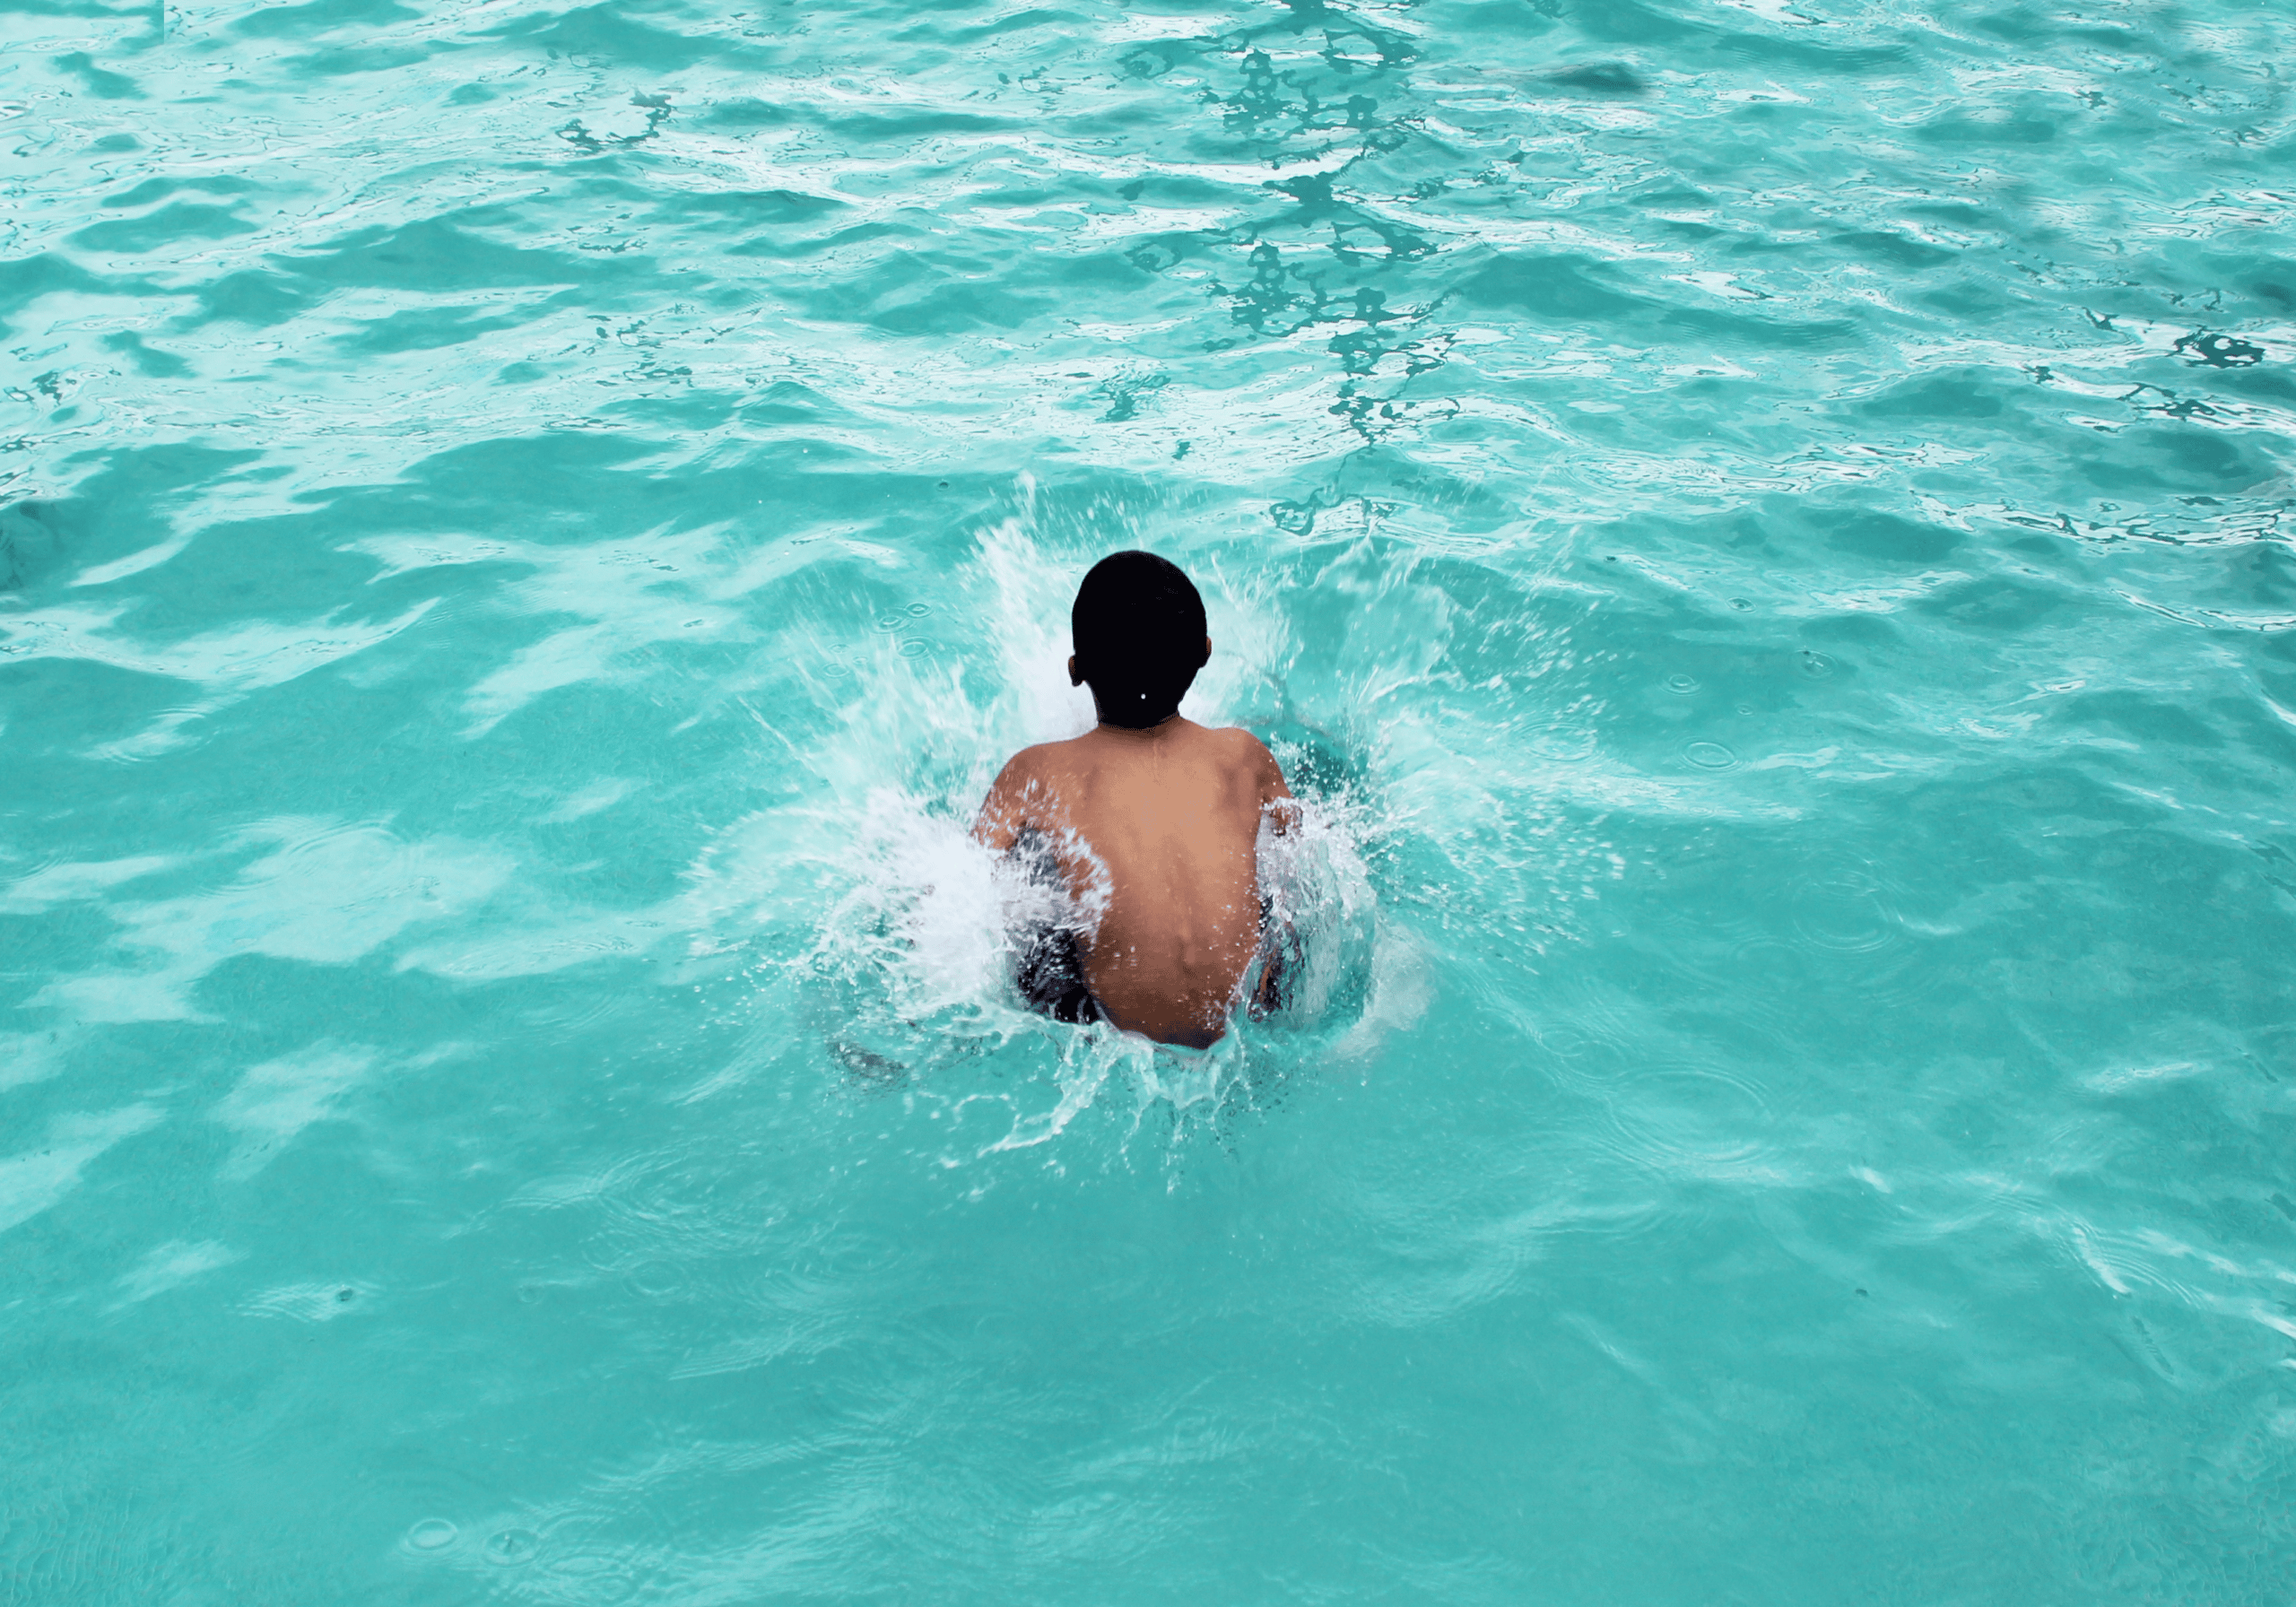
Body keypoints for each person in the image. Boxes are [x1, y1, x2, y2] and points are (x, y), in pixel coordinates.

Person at [972, 552, 1296, 1048]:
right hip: (1248, 1014)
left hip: (1116, 1033)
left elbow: (962, 883)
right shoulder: (1244, 755)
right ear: (1204, 653)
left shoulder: (1034, 771)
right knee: (1279, 889)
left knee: (1033, 885)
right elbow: (1299, 848)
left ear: (1076, 670)